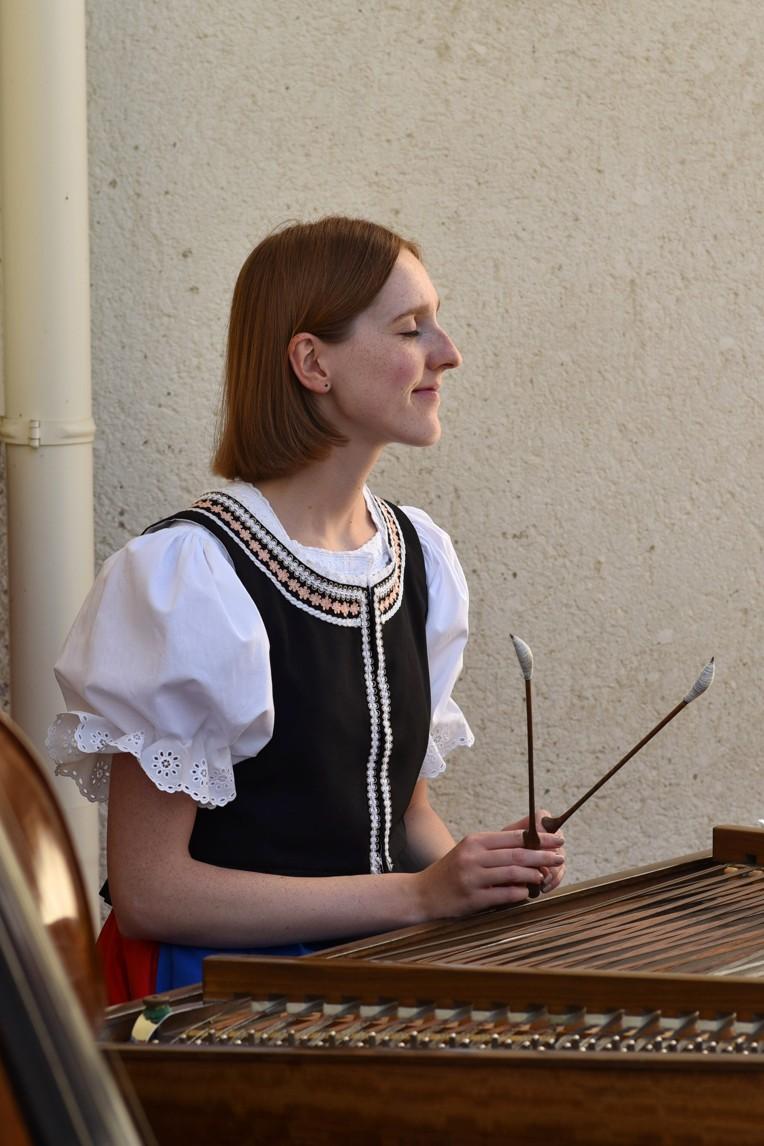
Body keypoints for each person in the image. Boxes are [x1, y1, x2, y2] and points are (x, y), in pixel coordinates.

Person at [47, 216, 566, 1003]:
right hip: (214, 999)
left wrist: (481, 876)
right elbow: (152, 892)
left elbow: (405, 820)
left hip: (370, 979)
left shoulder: (419, 557)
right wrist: (419, 896)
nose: (448, 352)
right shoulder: (190, 580)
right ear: (312, 362)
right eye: (411, 328)